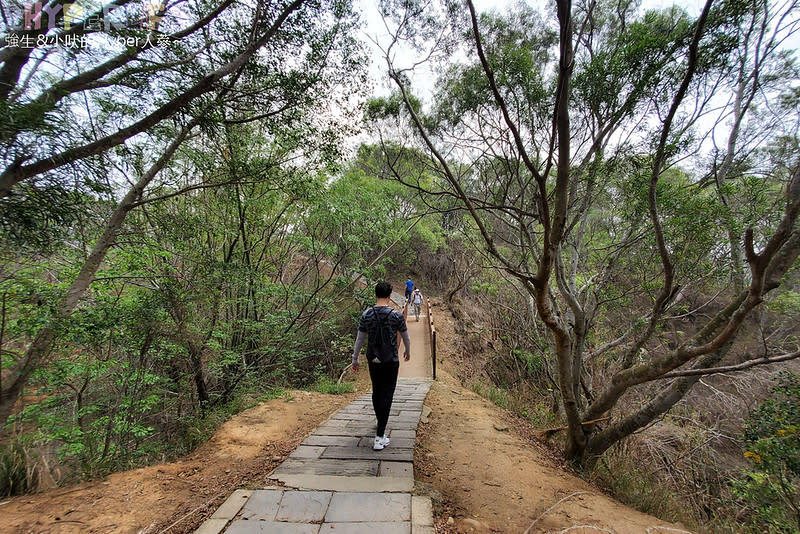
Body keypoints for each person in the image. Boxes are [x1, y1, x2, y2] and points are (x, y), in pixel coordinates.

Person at [352, 281, 411, 450]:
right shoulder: (396, 316)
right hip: (390, 360)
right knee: (387, 394)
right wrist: (408, 350)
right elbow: (406, 336)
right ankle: (379, 436)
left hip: (373, 359)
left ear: (375, 294)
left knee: (377, 391)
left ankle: (380, 421)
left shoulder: (367, 315)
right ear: (389, 296)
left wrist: (355, 358)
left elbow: (360, 339)